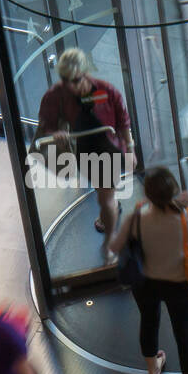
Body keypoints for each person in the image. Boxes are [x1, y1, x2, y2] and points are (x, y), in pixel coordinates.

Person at [109, 166, 188, 374]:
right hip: (179, 284)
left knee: (148, 322)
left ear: (148, 195)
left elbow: (115, 245)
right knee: (185, 335)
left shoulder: (137, 216)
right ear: (174, 191)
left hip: (146, 283)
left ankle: (153, 370)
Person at [35, 47, 135, 250]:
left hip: (108, 150)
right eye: (65, 79)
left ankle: (110, 234)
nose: (70, 86)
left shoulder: (106, 91)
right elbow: (46, 124)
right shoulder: (56, 95)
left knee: (105, 195)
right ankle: (110, 209)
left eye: (75, 80)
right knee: (105, 191)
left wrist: (130, 149)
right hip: (84, 151)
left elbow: (124, 122)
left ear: (85, 73)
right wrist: (55, 133)